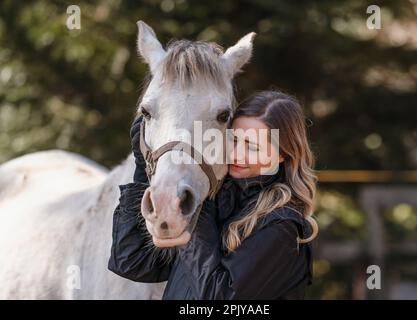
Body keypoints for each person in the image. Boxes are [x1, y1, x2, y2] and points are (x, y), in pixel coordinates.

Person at [108, 90, 318, 299]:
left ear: (282, 154)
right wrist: (142, 170)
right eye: (233, 139)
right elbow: (132, 262)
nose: (236, 154)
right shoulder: (216, 200)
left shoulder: (282, 227)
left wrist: (193, 216)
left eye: (252, 147)